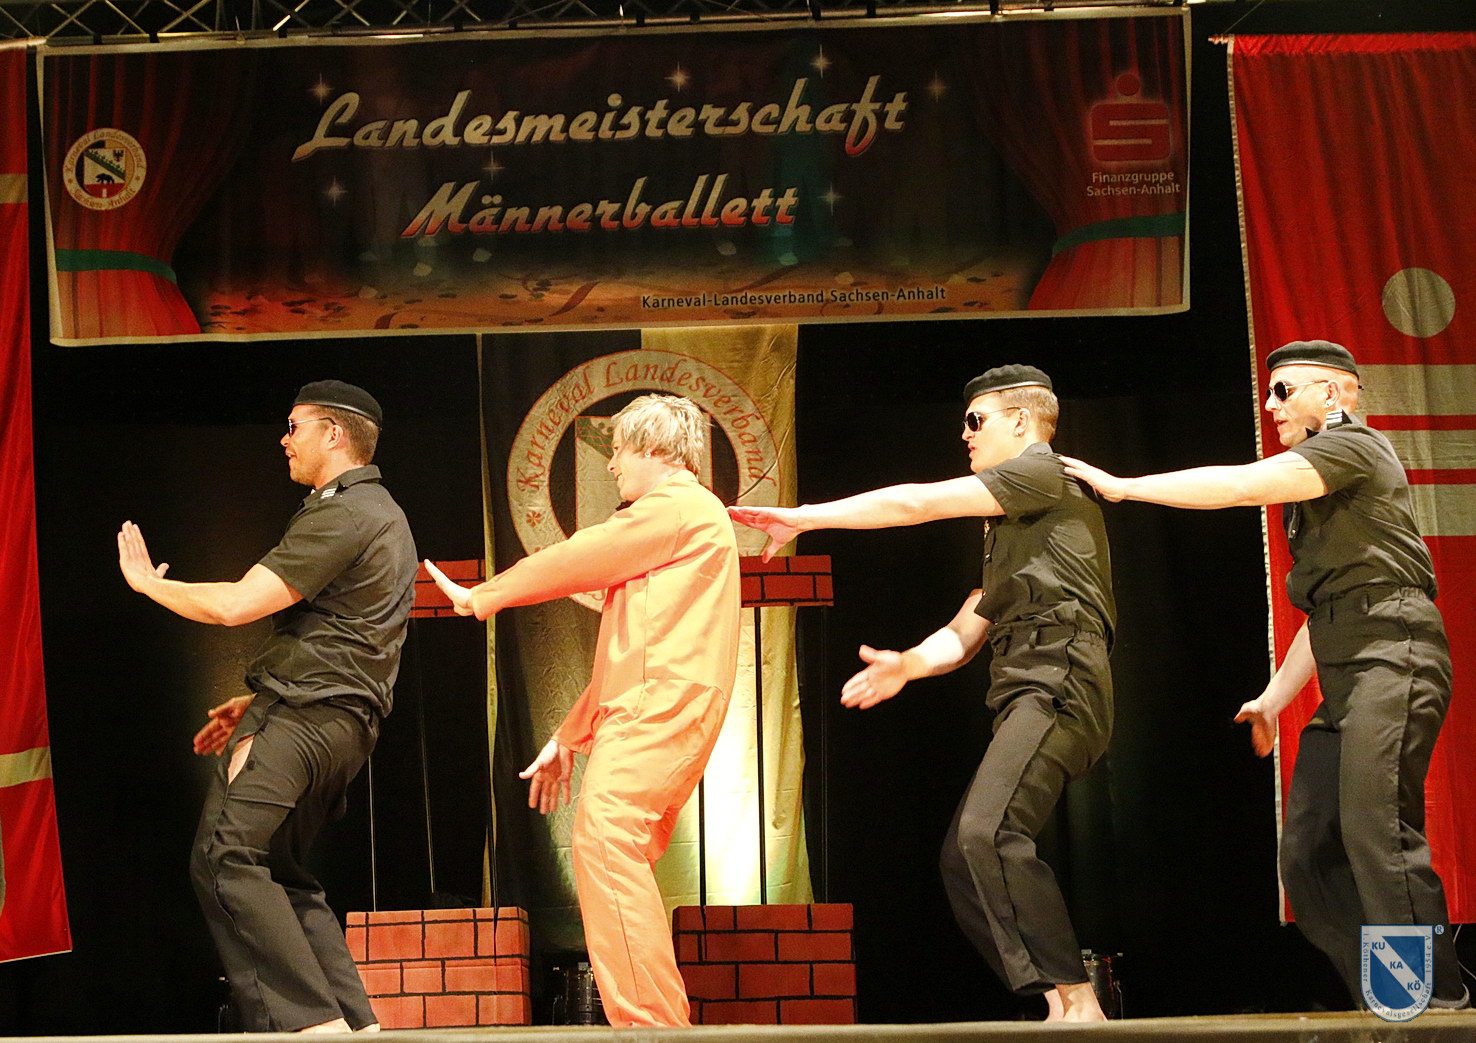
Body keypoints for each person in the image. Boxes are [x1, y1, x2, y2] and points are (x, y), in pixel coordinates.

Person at [1061, 339, 1468, 1010]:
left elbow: (1240, 485)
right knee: (1307, 856)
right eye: (1270, 391)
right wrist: (1275, 699)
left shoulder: (1352, 446)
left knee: (1377, 830)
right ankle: (1392, 996)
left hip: (1394, 654)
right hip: (1350, 665)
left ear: (1333, 393)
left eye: (1285, 390)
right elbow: (1328, 610)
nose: (1272, 403)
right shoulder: (1322, 495)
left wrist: (1126, 486)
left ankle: (1435, 1005)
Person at [729, 364, 1114, 1022]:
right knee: (964, 855)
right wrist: (906, 665)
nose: (965, 435)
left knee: (988, 832)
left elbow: (916, 504)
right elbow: (966, 630)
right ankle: (1057, 1001)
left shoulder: (1042, 472)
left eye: (976, 420)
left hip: (1061, 677)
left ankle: (1082, 1002)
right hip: (1025, 689)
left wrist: (807, 517)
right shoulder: (1015, 524)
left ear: (1022, 421)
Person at [424, 393, 740, 1028]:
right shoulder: (683, 519)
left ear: (654, 448)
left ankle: (653, 1027)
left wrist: (484, 596)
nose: (612, 464)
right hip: (657, 703)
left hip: (661, 706)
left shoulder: (676, 507)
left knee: (605, 839)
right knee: (611, 845)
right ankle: (653, 1022)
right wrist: (571, 735)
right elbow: (634, 649)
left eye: (618, 449)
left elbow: (578, 556)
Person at [117, 380, 416, 1034]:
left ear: (333, 434)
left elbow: (235, 605)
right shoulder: (387, 514)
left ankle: (310, 1025)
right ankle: (354, 1024)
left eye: (294, 426)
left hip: (303, 717)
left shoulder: (344, 512)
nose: (284, 440)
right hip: (341, 725)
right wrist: (258, 697)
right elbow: (351, 635)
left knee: (225, 856)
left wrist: (148, 585)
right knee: (280, 872)